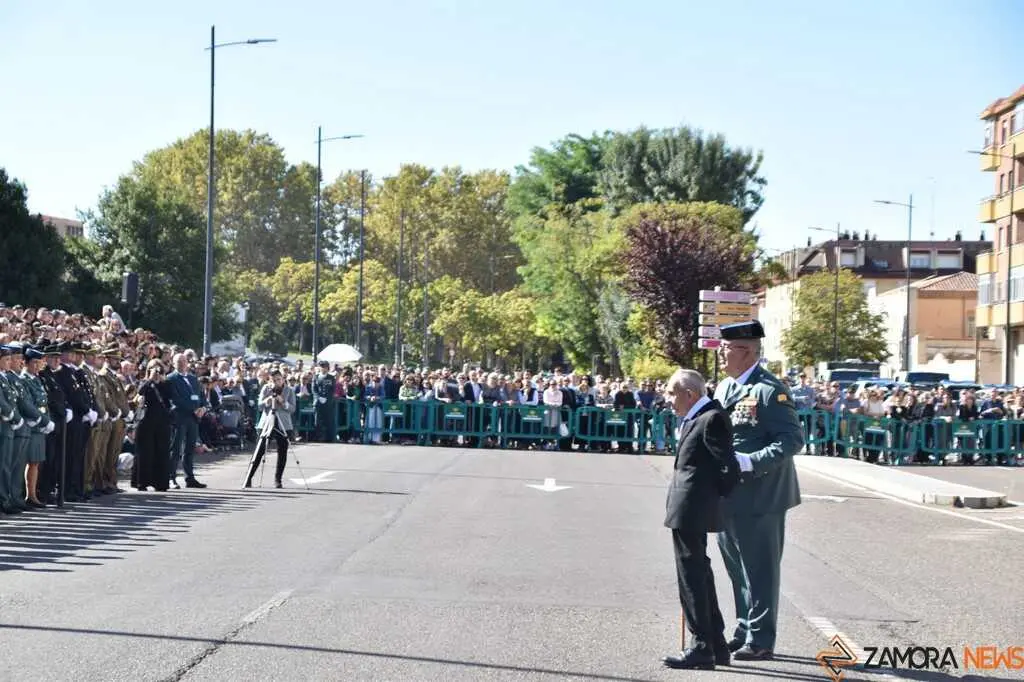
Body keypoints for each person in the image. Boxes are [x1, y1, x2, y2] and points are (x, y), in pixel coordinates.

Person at [713, 320, 803, 661]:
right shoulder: (725, 388)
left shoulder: (770, 390)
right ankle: (744, 628)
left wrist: (750, 461)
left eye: (727, 348)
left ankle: (762, 639)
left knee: (760, 571)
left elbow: (791, 440)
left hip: (762, 495)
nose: (721, 353)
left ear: (746, 351)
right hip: (729, 495)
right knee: (737, 568)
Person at [662, 369, 740, 670]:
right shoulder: (698, 416)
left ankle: (701, 646)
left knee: (692, 578)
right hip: (688, 506)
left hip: (693, 507)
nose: (669, 400)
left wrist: (711, 498)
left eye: (672, 393)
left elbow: (728, 467)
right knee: (699, 574)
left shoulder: (711, 417)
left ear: (690, 394)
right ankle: (716, 645)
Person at [243, 370, 294, 489]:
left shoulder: (289, 390)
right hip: (267, 422)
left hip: (283, 423)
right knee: (259, 450)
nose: (277, 382)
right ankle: (249, 477)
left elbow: (292, 409)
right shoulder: (266, 389)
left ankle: (278, 479)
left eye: (279, 379)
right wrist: (267, 401)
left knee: (282, 451)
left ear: (283, 379)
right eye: (274, 380)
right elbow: (260, 406)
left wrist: (283, 403)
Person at [166, 352, 207, 488]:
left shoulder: (193, 379)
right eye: (179, 362)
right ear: (174, 364)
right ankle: (171, 477)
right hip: (180, 417)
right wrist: (193, 409)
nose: (183, 364)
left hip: (193, 419)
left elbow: (201, 396)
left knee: (190, 448)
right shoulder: (171, 379)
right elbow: (175, 399)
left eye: (184, 361)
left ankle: (189, 477)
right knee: (176, 448)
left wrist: (202, 408)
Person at [132, 361, 172, 491]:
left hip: (162, 421)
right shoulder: (144, 383)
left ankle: (160, 482)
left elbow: (169, 397)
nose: (156, 372)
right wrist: (150, 379)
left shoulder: (166, 384)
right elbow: (140, 391)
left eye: (158, 370)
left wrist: (161, 380)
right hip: (146, 420)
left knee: (161, 451)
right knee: (145, 452)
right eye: (153, 370)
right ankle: (142, 482)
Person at [313, 361, 336, 442]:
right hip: (318, 402)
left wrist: (327, 398)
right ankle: (318, 437)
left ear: (327, 368)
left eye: (325, 367)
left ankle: (330, 438)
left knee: (329, 420)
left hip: (328, 402)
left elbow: (332, 390)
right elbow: (314, 389)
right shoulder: (316, 377)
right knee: (317, 421)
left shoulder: (331, 378)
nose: (323, 368)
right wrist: (319, 398)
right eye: (322, 366)